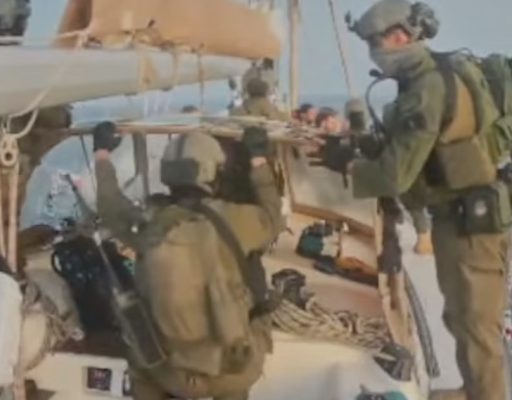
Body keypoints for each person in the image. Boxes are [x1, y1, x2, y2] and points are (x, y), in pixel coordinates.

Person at [320, 1, 511, 399]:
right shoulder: (438, 71)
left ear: (400, 37)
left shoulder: (426, 90)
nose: (373, 53)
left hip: (468, 225)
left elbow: (395, 175)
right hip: (462, 217)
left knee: (476, 324)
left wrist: (348, 165)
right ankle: (474, 388)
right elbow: (417, 149)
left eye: (375, 43)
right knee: (462, 317)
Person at [93, 122, 283, 400]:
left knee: (139, 364)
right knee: (256, 317)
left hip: (168, 372)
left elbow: (109, 205)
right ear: (212, 172)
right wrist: (258, 159)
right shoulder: (237, 219)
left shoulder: (148, 224)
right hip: (230, 373)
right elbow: (273, 217)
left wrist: (102, 154)